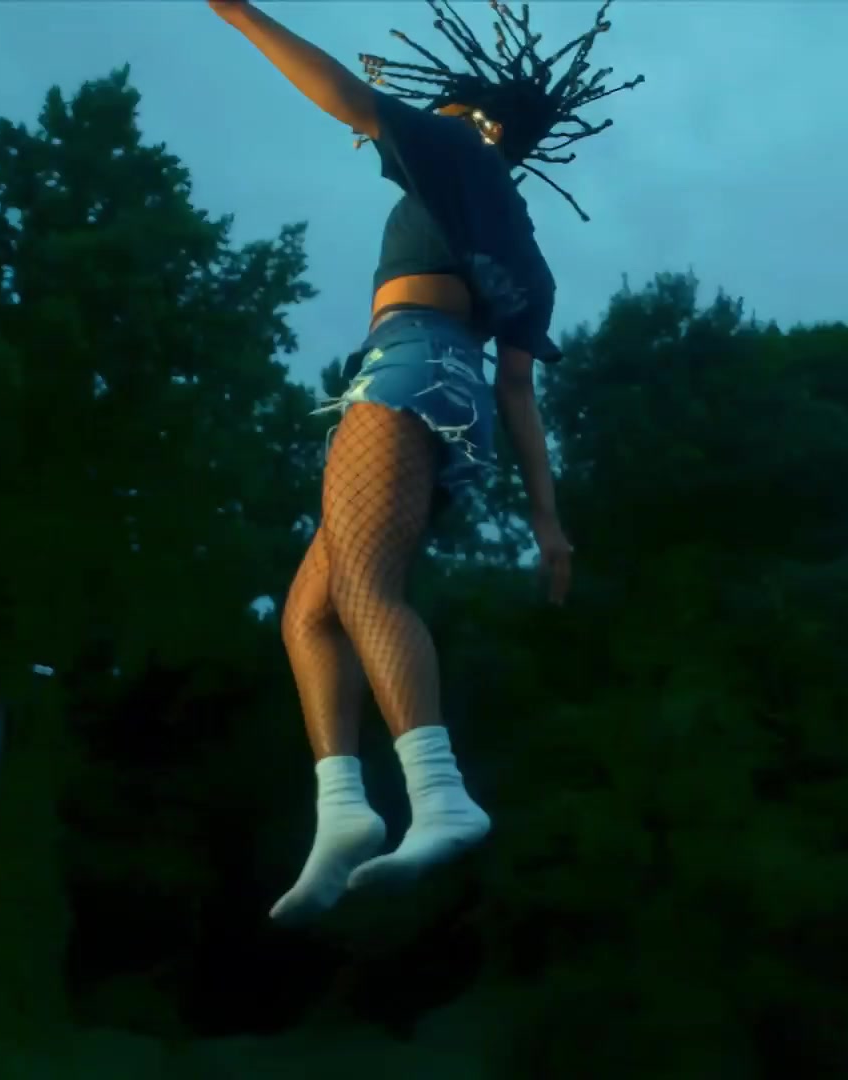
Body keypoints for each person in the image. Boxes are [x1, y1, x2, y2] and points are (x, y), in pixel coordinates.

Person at [207, 0, 641, 922]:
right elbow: (516, 389)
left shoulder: (457, 151)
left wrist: (240, 15)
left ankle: (441, 795)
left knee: (364, 590)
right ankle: (343, 810)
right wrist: (547, 520)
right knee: (311, 608)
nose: (421, 119)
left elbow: (353, 101)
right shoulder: (517, 240)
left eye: (440, 107)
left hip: (406, 368)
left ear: (480, 121)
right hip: (454, 389)